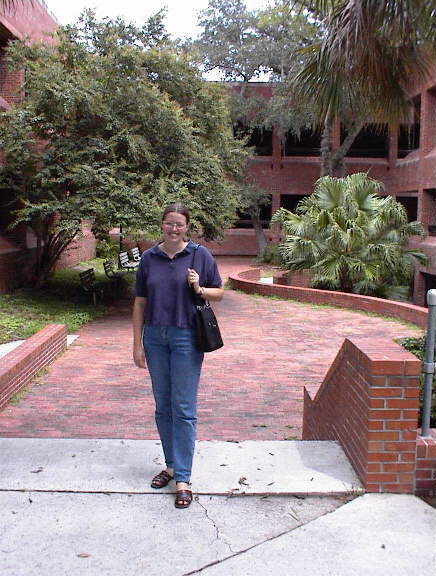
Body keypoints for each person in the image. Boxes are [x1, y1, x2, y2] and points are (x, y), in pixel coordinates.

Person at [132, 202, 224, 509]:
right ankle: (171, 466)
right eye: (169, 223)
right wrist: (137, 343)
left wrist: (199, 287)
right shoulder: (149, 258)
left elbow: (219, 292)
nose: (174, 229)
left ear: (187, 227)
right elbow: (140, 303)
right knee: (163, 406)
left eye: (179, 224)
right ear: (162, 224)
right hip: (155, 338)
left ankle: (183, 478)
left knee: (183, 408)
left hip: (186, 337)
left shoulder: (200, 255)